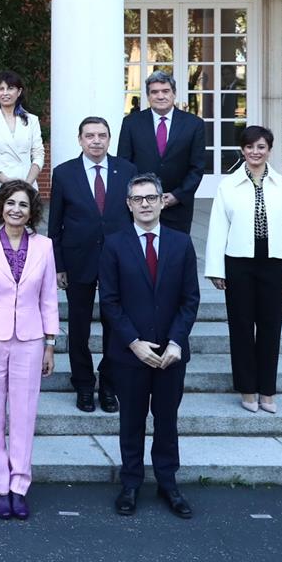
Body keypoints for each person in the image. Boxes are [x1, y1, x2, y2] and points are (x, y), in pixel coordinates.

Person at [99, 173, 200, 520]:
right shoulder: (113, 244)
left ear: (161, 201)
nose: (145, 204)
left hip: (171, 353)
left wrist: (176, 342)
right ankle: (130, 482)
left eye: (151, 197)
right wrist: (134, 343)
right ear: (128, 205)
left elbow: (190, 299)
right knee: (131, 419)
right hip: (131, 352)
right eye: (138, 198)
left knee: (167, 419)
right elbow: (109, 302)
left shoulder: (181, 243)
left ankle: (168, 482)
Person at [0, 181, 59, 521]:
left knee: (23, 415)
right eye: (10, 203)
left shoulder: (44, 247)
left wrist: (50, 344)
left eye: (23, 204)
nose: (16, 209)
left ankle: (19, 486)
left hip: (30, 340)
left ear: (32, 211)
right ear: (0, 207)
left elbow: (49, 298)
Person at [204, 126, 282, 414]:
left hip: (274, 263)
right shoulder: (228, 186)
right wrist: (217, 269)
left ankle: (267, 391)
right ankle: (247, 390)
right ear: (242, 150)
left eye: (261, 147)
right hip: (238, 263)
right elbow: (217, 230)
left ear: (269, 150)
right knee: (240, 327)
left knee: (270, 328)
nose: (255, 152)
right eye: (250, 147)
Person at [46, 117, 137, 414]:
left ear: (109, 139)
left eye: (102, 135)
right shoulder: (63, 174)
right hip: (77, 260)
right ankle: (83, 384)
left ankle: (110, 384)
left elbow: (136, 218)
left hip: (118, 260)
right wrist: (58, 264)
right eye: (90, 136)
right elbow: (55, 224)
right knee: (79, 327)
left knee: (116, 325)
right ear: (80, 139)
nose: (96, 140)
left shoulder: (127, 170)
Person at [117, 71, 205, 233]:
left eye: (165, 91)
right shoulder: (131, 123)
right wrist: (136, 196)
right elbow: (124, 163)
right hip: (140, 205)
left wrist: (178, 195)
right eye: (154, 92)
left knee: (175, 253)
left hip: (178, 206)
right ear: (148, 96)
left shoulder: (194, 124)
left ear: (174, 94)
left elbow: (197, 167)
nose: (160, 96)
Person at [0, 71, 44, 229]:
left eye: (10, 88)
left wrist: (27, 184)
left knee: (26, 244)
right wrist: (7, 181)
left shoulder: (32, 120)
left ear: (19, 92)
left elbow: (38, 154)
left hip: (28, 189)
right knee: (0, 244)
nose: (5, 93)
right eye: (1, 89)